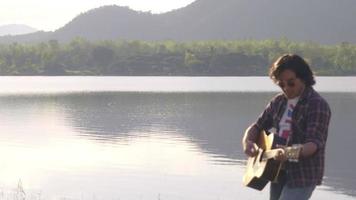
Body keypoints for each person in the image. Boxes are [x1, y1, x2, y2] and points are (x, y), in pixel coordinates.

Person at [242, 54, 331, 200]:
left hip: (302, 175)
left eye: (291, 83)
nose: (286, 88)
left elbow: (312, 145)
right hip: (276, 171)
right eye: (281, 84)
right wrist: (248, 141)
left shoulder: (317, 105)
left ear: (303, 78)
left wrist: (288, 153)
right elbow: (256, 127)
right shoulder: (278, 101)